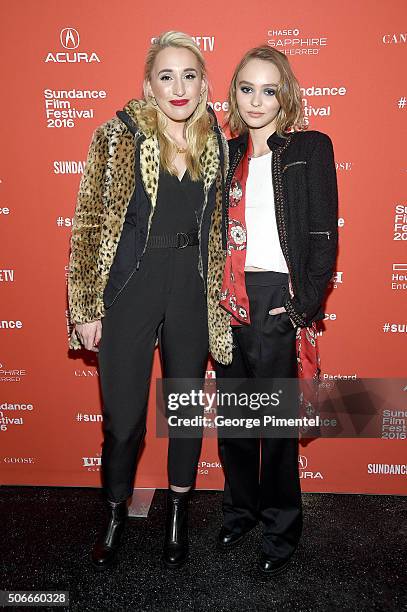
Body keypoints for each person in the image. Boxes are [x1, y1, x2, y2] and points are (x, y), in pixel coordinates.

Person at [67, 31, 228, 570]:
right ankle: (113, 514)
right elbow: (89, 227)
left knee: (183, 412)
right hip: (130, 288)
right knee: (124, 419)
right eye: (167, 76)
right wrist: (85, 307)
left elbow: (221, 232)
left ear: (204, 84)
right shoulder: (115, 137)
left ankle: (179, 515)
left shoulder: (217, 143)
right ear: (148, 85)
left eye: (189, 75)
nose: (178, 87)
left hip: (189, 287)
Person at [206, 45, 338, 575]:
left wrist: (300, 303)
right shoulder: (225, 154)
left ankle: (282, 529)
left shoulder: (310, 148)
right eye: (246, 88)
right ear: (234, 93)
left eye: (268, 88)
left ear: (285, 93)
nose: (257, 100)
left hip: (277, 300)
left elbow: (324, 236)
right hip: (228, 298)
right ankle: (241, 511)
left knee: (277, 425)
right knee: (236, 421)